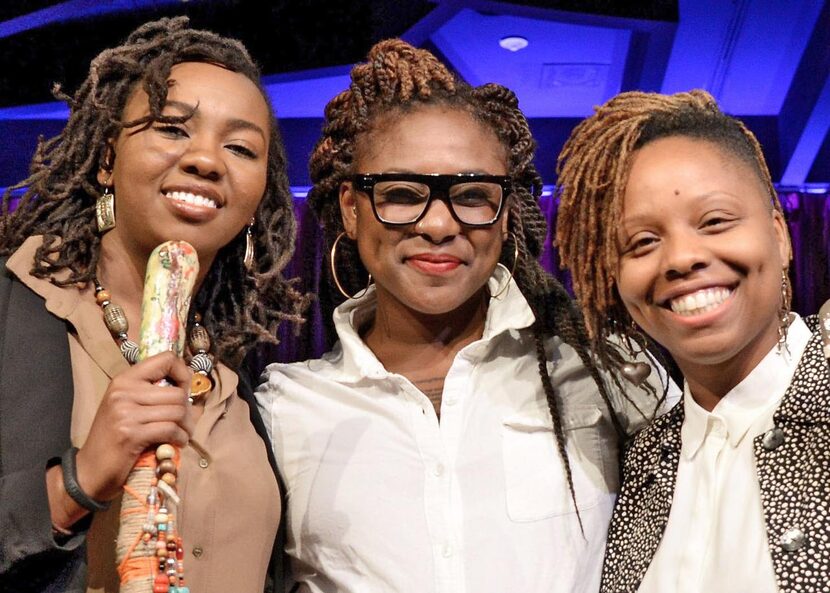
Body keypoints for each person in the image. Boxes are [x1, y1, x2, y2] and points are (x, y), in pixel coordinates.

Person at [255, 39, 671, 593]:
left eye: (472, 194)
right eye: (403, 193)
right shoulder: (283, 410)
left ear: (505, 217)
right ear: (352, 210)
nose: (439, 224)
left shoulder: (604, 371)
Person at [0, 17, 306, 593]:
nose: (206, 160)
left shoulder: (230, 381)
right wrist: (78, 480)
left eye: (240, 147)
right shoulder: (11, 313)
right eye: (172, 128)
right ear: (106, 160)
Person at [556, 89, 830, 593]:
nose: (681, 258)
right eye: (641, 242)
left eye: (715, 222)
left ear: (780, 235)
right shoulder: (640, 463)